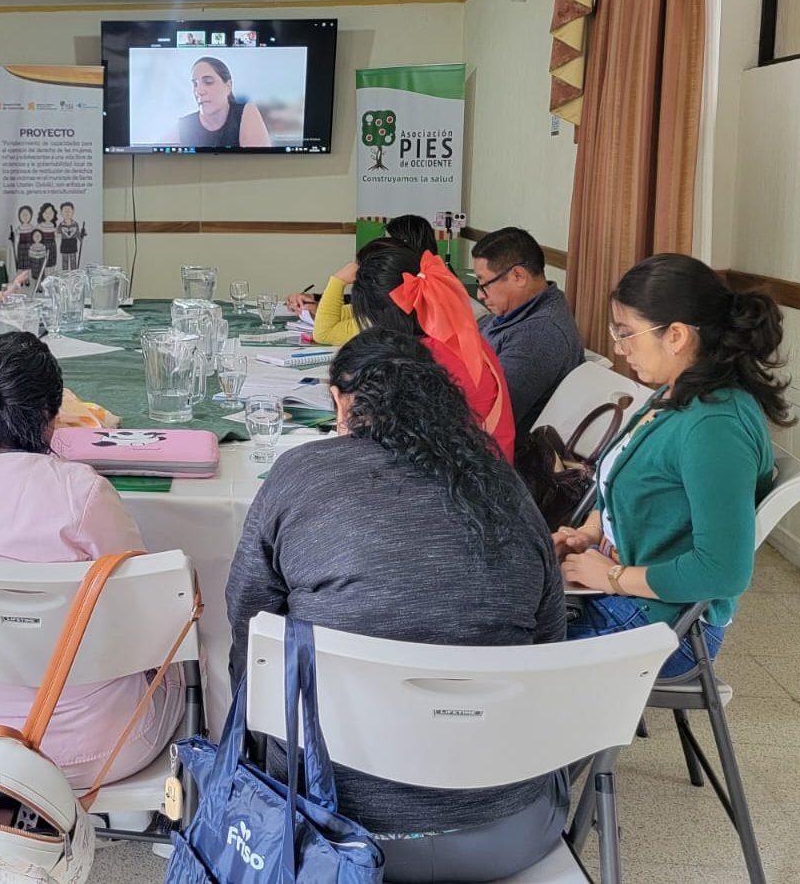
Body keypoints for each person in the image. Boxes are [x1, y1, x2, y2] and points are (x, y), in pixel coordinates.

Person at [227, 328, 566, 882]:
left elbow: (250, 631)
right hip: (511, 828)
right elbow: (550, 642)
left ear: (342, 402)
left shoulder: (297, 473)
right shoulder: (506, 488)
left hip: (323, 823)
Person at [0, 332, 185, 790]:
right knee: (185, 638)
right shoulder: (78, 492)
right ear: (50, 421)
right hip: (104, 746)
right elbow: (143, 610)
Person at [557, 254, 789, 678]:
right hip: (627, 595)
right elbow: (623, 478)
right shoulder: (675, 391)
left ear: (677, 335)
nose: (618, 347)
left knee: (497, 654)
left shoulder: (715, 426)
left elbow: (723, 571)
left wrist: (612, 576)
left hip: (665, 628)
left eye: (626, 333)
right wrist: (593, 532)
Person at [353, 246, 516, 462]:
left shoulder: (423, 359)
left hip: (473, 479)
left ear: (385, 316)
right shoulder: (457, 338)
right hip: (491, 469)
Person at [471, 227, 584, 431]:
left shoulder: (540, 336)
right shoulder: (513, 311)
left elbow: (491, 417)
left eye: (483, 283)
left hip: (499, 449)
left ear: (518, 276)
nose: (480, 295)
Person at [287, 214, 438, 317]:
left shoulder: (422, 282)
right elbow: (363, 299)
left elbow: (371, 312)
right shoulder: (409, 271)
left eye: (389, 241)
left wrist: (322, 310)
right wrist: (314, 298)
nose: (384, 247)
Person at [175, 57, 271, 148]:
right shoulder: (184, 124)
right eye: (195, 84)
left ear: (228, 86)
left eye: (208, 82)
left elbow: (254, 162)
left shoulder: (245, 112)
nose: (198, 91)